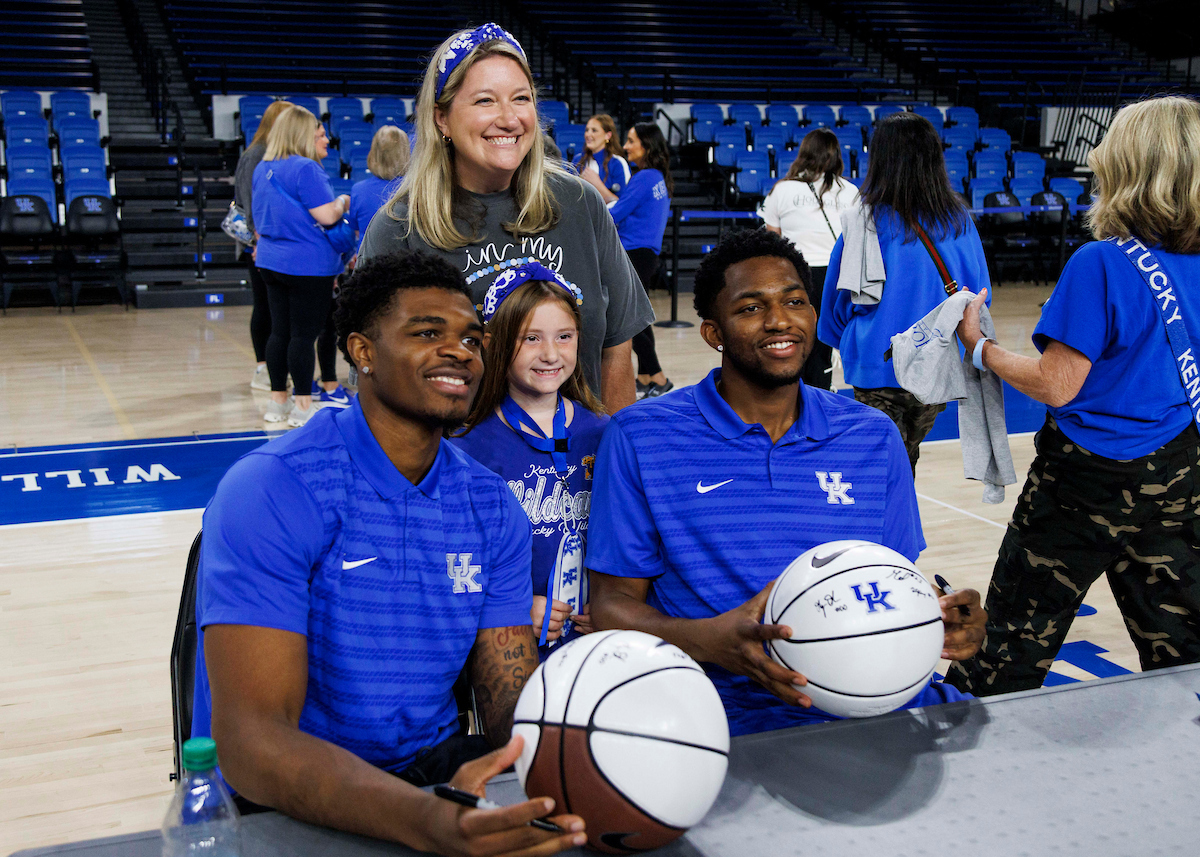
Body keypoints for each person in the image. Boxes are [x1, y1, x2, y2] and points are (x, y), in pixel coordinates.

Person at [193, 249, 586, 854]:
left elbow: (507, 697)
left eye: (472, 339)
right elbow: (252, 743)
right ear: (363, 352)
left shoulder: (490, 504)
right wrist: (424, 821)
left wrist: (584, 760)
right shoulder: (274, 487)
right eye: (427, 333)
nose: (460, 352)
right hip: (287, 789)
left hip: (431, 771)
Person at [585, 229, 985, 736]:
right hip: (725, 710)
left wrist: (939, 616)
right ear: (713, 333)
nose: (779, 320)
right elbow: (611, 605)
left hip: (877, 696)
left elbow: (887, 579)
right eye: (751, 308)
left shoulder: (872, 435)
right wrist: (712, 641)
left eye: (794, 301)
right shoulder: (642, 436)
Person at [947, 96, 1200, 697]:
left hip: (1086, 478)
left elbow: (1056, 383)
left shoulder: (1101, 263)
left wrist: (980, 347)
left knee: (1011, 643)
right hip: (1181, 467)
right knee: (1181, 644)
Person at [357, 23, 653, 412]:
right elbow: (374, 379)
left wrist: (614, 447)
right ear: (441, 118)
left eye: (521, 98)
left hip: (581, 449)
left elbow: (616, 347)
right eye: (485, 101)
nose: (509, 119)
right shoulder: (398, 229)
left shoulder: (581, 203)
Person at [450, 262, 607, 659]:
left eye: (564, 336)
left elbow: (631, 540)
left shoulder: (605, 434)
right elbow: (454, 564)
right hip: (513, 650)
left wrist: (615, 601)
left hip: (596, 648)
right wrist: (514, 607)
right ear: (493, 343)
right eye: (531, 338)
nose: (551, 354)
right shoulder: (466, 448)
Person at [818, 112, 990, 473]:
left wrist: (850, 343)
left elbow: (836, 309)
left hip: (876, 367)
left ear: (880, 158)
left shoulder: (864, 222)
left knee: (878, 471)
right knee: (905, 459)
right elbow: (979, 298)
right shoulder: (959, 221)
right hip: (934, 368)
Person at [252, 104, 352, 427]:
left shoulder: (262, 168)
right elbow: (327, 215)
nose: (326, 139)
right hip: (308, 265)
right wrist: (343, 202)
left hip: (271, 261)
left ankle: (277, 402)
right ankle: (303, 405)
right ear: (302, 135)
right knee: (303, 336)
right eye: (319, 133)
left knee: (279, 332)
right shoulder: (306, 168)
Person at [762, 127, 860, 390]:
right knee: (823, 342)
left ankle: (788, 391)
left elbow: (773, 241)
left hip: (794, 274)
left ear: (804, 153)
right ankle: (820, 394)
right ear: (835, 155)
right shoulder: (850, 192)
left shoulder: (781, 190)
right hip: (835, 275)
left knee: (792, 335)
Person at [581, 122, 674, 397]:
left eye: (632, 141)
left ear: (647, 146)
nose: (626, 146)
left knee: (629, 318)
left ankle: (658, 377)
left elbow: (616, 213)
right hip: (645, 253)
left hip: (634, 252)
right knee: (638, 316)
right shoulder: (657, 176)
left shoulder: (644, 177)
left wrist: (592, 195)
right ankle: (647, 376)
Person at [233, 98, 291, 392]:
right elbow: (250, 206)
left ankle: (278, 366)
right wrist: (260, 242)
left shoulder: (279, 155)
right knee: (264, 306)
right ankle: (261, 367)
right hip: (257, 244)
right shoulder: (254, 155)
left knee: (278, 309)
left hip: (275, 244)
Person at [347, 125, 410, 251]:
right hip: (404, 257)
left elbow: (356, 230)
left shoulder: (358, 190)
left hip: (368, 256)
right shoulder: (414, 190)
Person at [572, 113, 630, 197]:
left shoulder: (617, 163)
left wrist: (597, 184)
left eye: (594, 130)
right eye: (587, 130)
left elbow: (623, 202)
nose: (588, 134)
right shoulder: (577, 160)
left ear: (608, 135)